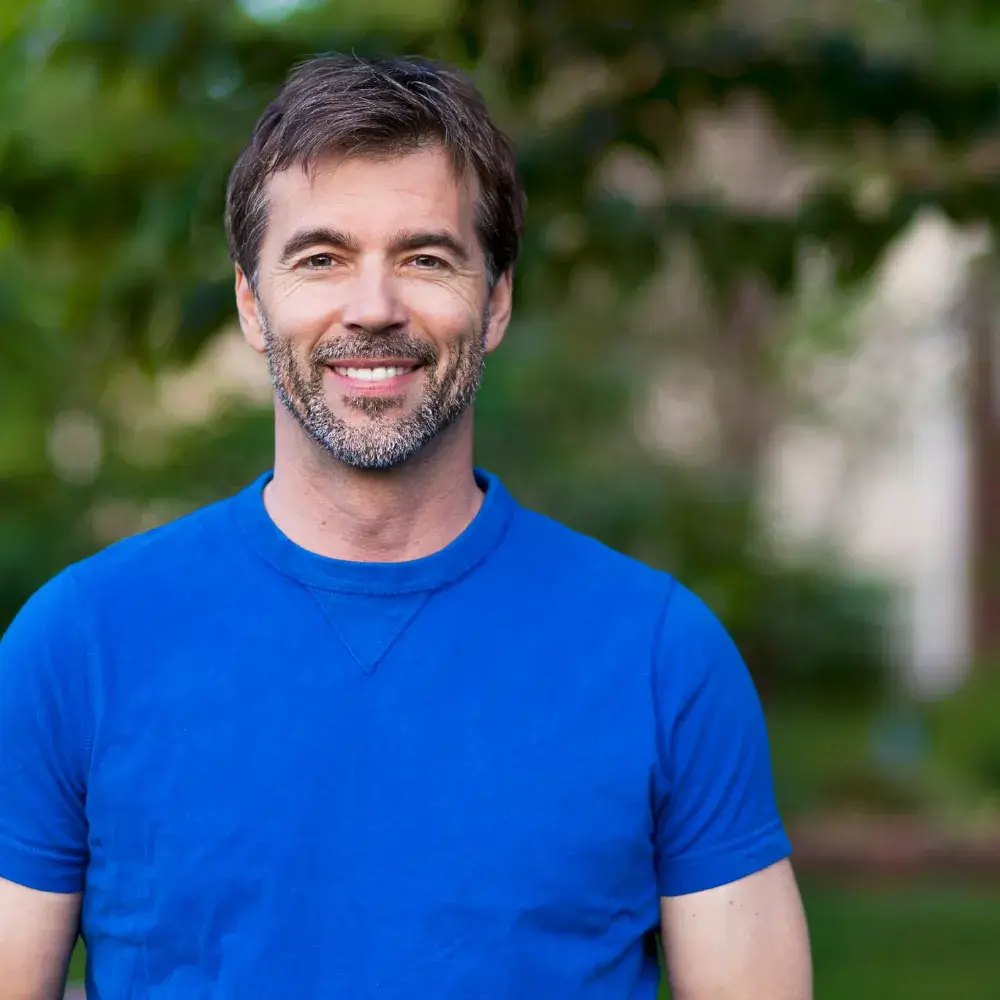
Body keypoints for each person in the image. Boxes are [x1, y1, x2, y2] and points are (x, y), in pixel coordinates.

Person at [0, 54, 812, 1000]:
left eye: (426, 258)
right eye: (321, 259)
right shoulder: (77, 645)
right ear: (251, 304)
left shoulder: (662, 655)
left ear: (496, 301)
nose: (374, 307)